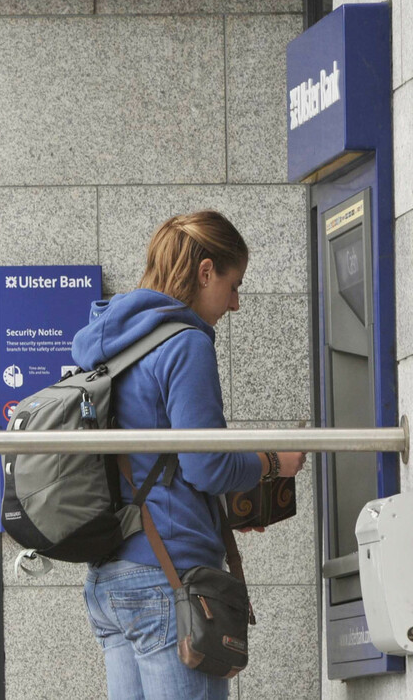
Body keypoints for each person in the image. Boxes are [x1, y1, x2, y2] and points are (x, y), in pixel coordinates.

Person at [71, 210, 306, 700]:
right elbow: (207, 464)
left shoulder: (110, 345)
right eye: (233, 285)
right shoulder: (185, 342)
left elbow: (159, 462)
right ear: (205, 272)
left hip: (111, 580)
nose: (235, 303)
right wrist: (271, 463)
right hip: (167, 580)